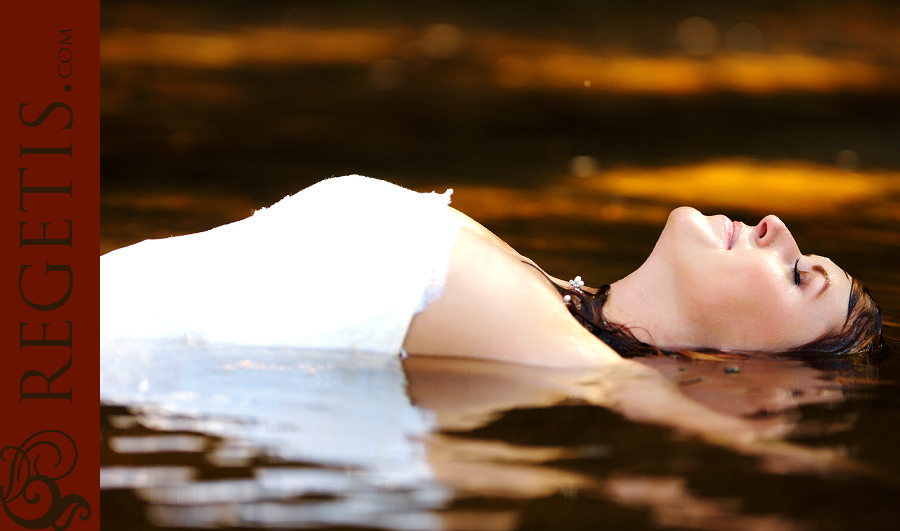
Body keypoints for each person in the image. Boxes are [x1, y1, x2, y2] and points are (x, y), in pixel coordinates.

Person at [101, 175, 886, 368]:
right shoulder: (549, 295)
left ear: (746, 377)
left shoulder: (568, 362)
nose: (779, 229)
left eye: (797, 277)